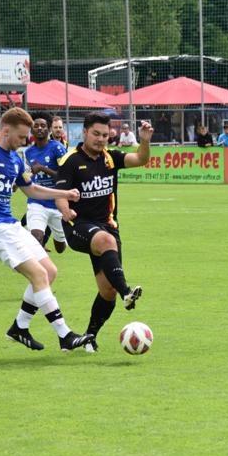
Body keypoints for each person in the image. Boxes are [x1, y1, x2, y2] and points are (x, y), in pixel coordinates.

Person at [0, 107, 92, 352]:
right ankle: (65, 335)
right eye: (20, 136)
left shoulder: (15, 159)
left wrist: (65, 193)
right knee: (38, 276)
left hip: (10, 224)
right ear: (6, 131)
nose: (24, 141)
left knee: (49, 271)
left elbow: (32, 190)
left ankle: (20, 327)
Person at [54, 112, 153, 352]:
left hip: (107, 227)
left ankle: (89, 337)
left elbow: (140, 158)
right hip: (77, 227)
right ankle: (127, 292)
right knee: (105, 241)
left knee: (106, 291)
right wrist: (66, 211)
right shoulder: (70, 160)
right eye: (96, 134)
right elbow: (60, 194)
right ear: (85, 132)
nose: (100, 139)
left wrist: (145, 140)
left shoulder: (111, 158)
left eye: (105, 135)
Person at [21, 111, 68, 254]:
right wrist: (19, 181)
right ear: (32, 129)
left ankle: (60, 238)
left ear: (48, 129)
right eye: (36, 126)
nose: (40, 128)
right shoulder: (29, 152)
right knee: (36, 237)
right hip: (37, 201)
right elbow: (29, 173)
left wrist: (42, 168)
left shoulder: (57, 148)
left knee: (60, 248)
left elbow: (64, 176)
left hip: (57, 203)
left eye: (43, 125)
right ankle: (40, 271)